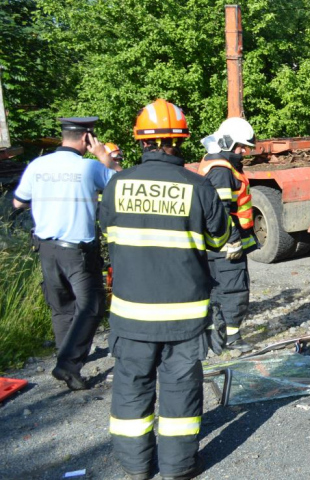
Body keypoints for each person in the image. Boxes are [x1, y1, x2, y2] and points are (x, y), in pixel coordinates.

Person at [99, 99, 234, 480]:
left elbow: (109, 234)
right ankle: (177, 469)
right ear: (180, 141)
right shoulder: (199, 187)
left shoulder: (116, 184)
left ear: (141, 141)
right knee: (180, 392)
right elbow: (222, 239)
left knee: (131, 388)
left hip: (131, 315)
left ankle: (136, 467)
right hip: (184, 317)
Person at [12, 117, 120, 390]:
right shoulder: (89, 167)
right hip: (78, 251)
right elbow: (120, 185)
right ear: (86, 139)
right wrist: (104, 157)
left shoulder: (37, 165)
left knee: (61, 306)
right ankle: (68, 364)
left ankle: (65, 358)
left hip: (46, 248)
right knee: (92, 305)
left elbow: (17, 202)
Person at [198, 117, 256, 354]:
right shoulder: (222, 170)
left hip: (213, 244)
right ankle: (232, 338)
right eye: (242, 147)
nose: (244, 152)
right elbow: (220, 210)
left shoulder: (215, 163)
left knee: (214, 290)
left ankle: (215, 335)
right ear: (228, 142)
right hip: (225, 245)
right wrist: (232, 239)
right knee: (234, 289)